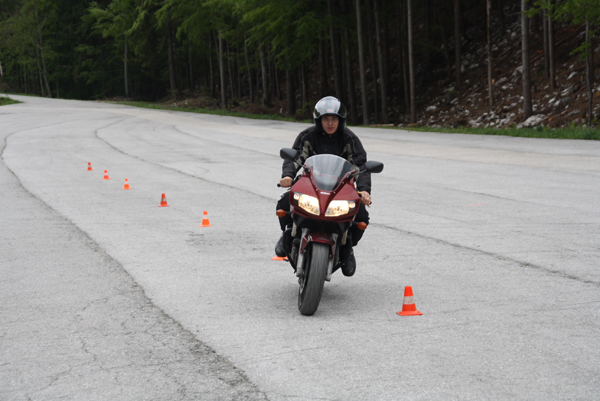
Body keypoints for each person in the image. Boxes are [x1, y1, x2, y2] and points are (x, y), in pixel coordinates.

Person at [275, 96, 372, 277]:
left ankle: (347, 247)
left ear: (340, 120)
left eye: (334, 119)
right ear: (318, 120)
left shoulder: (350, 138)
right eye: (325, 119)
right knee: (285, 201)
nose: (330, 123)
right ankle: (287, 234)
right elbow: (295, 157)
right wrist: (288, 176)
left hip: (341, 188)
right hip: (310, 184)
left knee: (361, 215)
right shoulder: (307, 136)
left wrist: (364, 190)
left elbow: (360, 165)